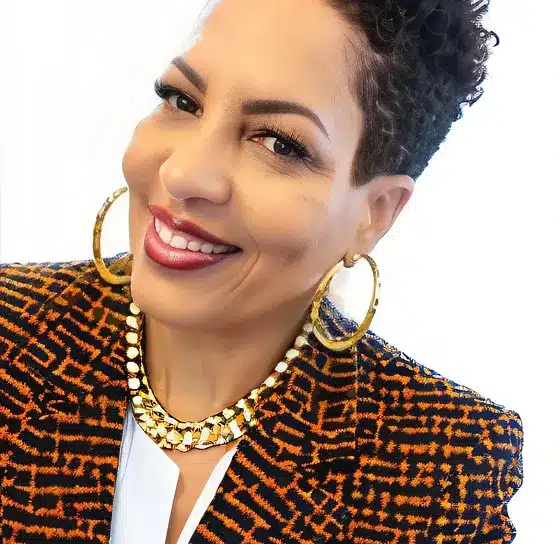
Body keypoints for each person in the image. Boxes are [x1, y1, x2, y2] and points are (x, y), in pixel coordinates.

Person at [0, 0, 523, 542]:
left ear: (375, 213)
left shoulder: (442, 464)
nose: (182, 173)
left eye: (279, 143)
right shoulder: (10, 332)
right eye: (183, 100)